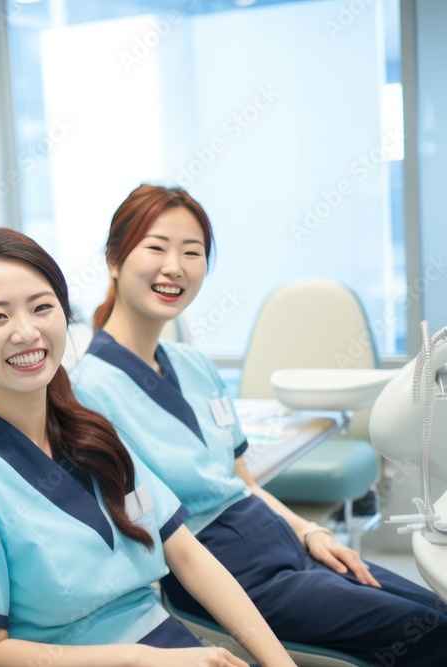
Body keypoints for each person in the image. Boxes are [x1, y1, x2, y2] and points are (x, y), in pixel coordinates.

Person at [71, 184, 447, 665]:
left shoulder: (194, 365)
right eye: (156, 247)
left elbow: (243, 481)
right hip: (220, 566)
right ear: (114, 259)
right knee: (428, 634)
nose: (175, 266)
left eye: (193, 252)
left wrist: (310, 532)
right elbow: (147, 530)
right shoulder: (86, 390)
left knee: (435, 607)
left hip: (279, 537)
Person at [0, 227, 295, 666]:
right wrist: (138, 659)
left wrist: (278, 662)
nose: (26, 332)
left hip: (171, 644)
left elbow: (187, 554)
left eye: (42, 308)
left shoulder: (94, 434)